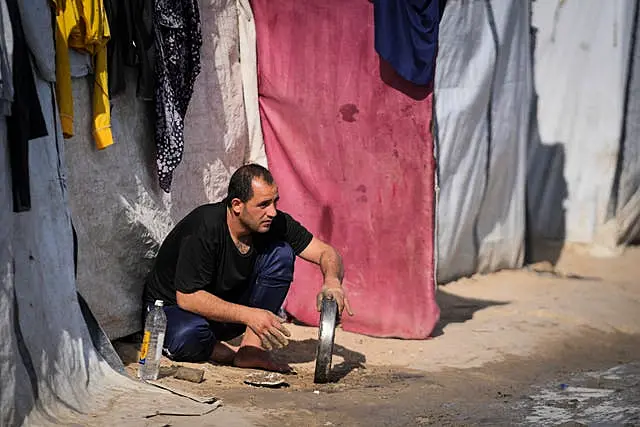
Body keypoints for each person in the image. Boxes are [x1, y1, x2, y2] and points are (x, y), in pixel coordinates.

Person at [143, 164, 353, 372]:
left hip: (221, 310)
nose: (272, 212)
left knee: (281, 253)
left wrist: (332, 281)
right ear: (237, 205)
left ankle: (251, 350)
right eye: (263, 204)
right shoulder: (204, 227)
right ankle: (219, 350)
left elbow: (327, 253)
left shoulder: (273, 222)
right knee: (188, 337)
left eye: (274, 202)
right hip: (172, 310)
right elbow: (188, 297)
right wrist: (250, 315)